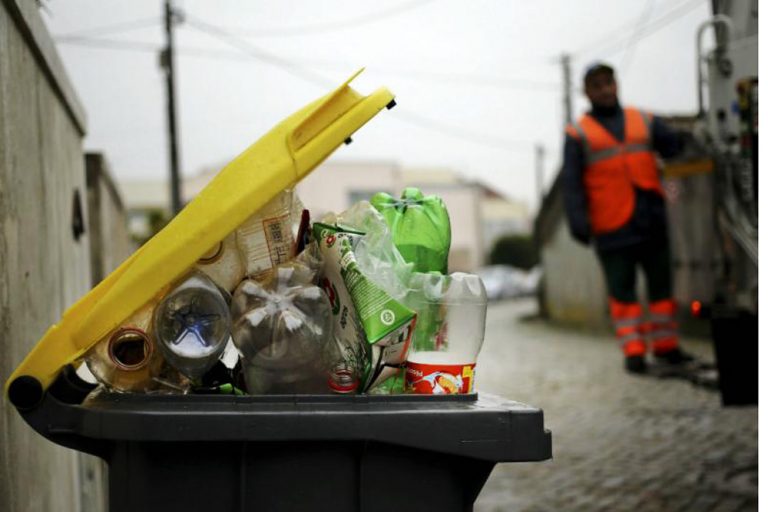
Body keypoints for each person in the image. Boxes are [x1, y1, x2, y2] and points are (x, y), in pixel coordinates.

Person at [562, 62, 692, 374]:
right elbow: (571, 184)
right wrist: (578, 222)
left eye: (609, 82)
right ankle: (634, 353)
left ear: (616, 84)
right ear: (586, 92)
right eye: (597, 85)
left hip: (651, 218)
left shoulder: (643, 120)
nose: (605, 90)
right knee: (623, 294)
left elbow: (672, 145)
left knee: (662, 290)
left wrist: (684, 139)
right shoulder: (578, 133)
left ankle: (666, 347)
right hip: (611, 225)